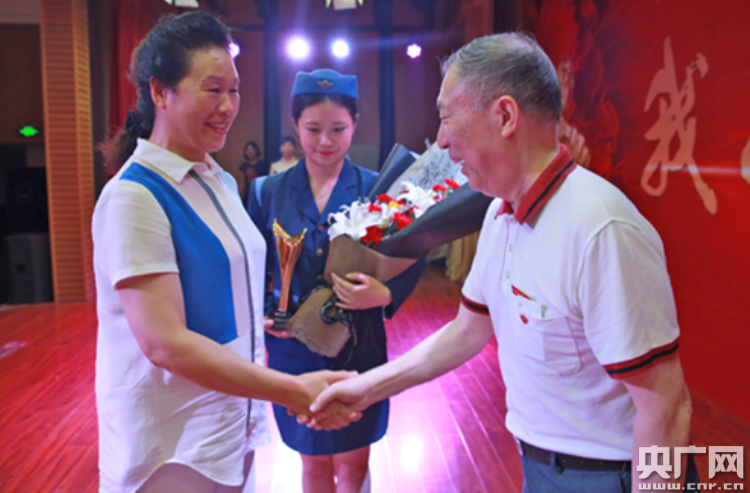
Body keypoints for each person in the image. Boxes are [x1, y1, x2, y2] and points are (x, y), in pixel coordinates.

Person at [310, 33, 698, 492]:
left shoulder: (601, 230)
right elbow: (467, 331)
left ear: (505, 116)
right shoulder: (500, 213)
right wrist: (367, 388)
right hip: (538, 465)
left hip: (609, 475)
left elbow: (666, 406)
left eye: (446, 118)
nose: (441, 141)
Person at [93, 13, 357, 493]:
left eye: (234, 90)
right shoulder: (135, 196)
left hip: (231, 422)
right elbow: (164, 343)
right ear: (160, 93)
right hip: (173, 442)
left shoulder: (218, 181)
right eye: (212, 89)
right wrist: (293, 389)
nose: (228, 106)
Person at [247, 69, 426, 493]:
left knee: (353, 462)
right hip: (294, 349)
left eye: (338, 129)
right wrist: (265, 313)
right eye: (313, 129)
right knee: (311, 463)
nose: (325, 141)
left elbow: (415, 249)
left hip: (358, 346)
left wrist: (386, 293)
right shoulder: (266, 191)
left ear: (355, 124)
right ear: (295, 124)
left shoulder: (377, 187)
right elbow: (252, 263)